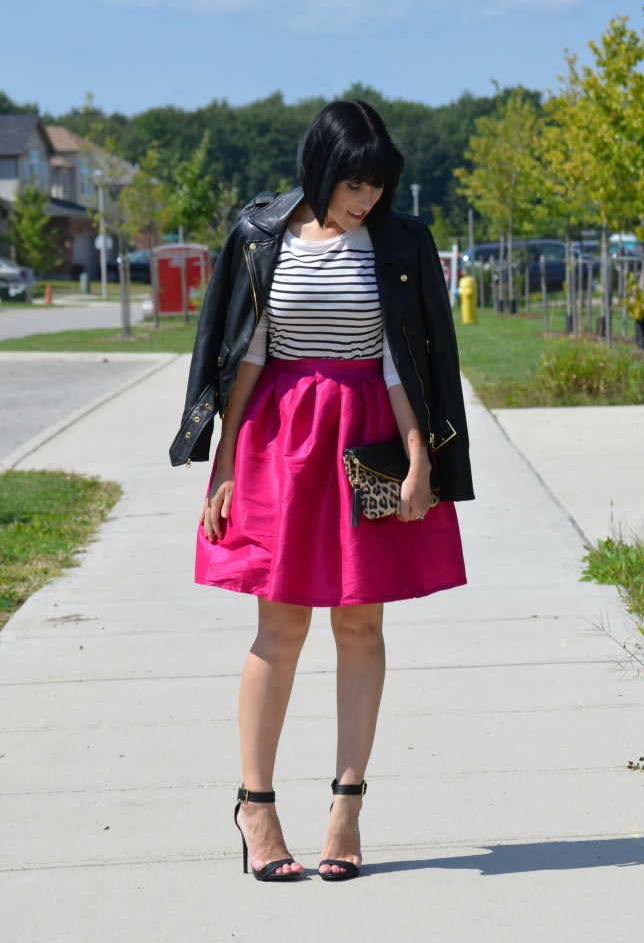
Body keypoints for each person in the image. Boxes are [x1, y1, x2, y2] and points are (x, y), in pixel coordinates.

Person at [170, 100, 474, 882]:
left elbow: (404, 359)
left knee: (361, 626)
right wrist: (226, 461)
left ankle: (347, 805)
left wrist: (419, 460)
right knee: (281, 626)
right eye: (352, 182)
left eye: (377, 184)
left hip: (368, 434)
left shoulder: (400, 242)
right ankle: (256, 806)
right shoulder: (261, 234)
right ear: (319, 167)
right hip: (280, 441)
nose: (365, 198)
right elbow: (243, 356)